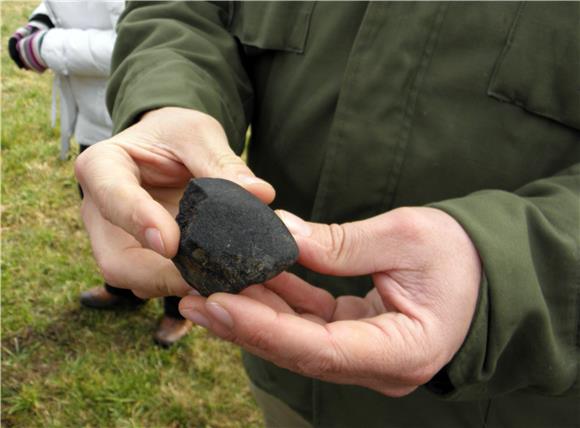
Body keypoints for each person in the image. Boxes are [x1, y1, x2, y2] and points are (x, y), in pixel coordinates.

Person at [75, 2, 579, 427]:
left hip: (512, 395)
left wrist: (508, 273)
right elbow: (186, 10)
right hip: (283, 367)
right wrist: (170, 102)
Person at [8, 0, 192, 348]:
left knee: (167, 221)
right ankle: (125, 289)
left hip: (140, 123)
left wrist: (43, 47)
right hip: (93, 121)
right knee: (106, 214)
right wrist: (39, 21)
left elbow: (137, 42)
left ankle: (178, 307)